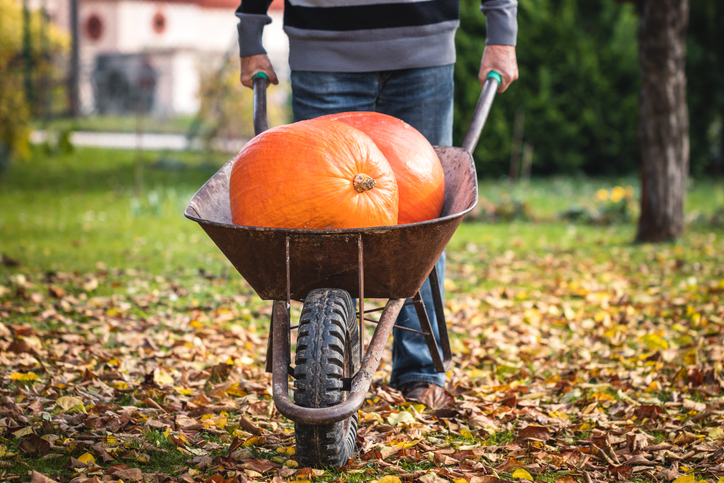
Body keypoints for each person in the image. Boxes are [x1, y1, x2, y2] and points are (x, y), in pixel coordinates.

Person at [236, 0, 519, 401]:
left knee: (421, 218)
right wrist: (250, 32)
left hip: (424, 47)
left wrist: (502, 32)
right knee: (319, 219)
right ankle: (329, 364)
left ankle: (420, 371)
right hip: (323, 49)